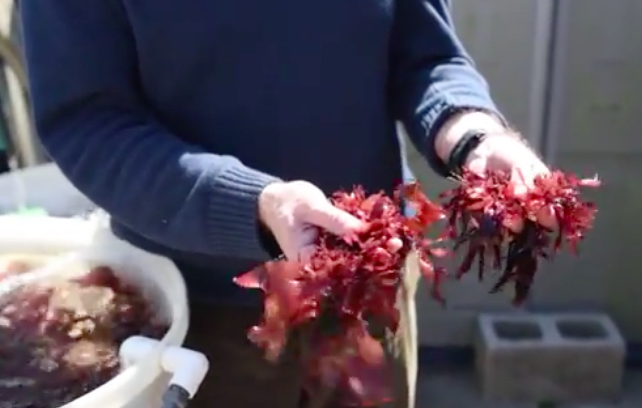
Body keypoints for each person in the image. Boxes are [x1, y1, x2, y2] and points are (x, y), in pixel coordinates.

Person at [21, 1, 554, 408]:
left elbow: (426, 53)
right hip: (202, 320)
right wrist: (252, 205)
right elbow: (88, 121)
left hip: (367, 288)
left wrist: (470, 134)